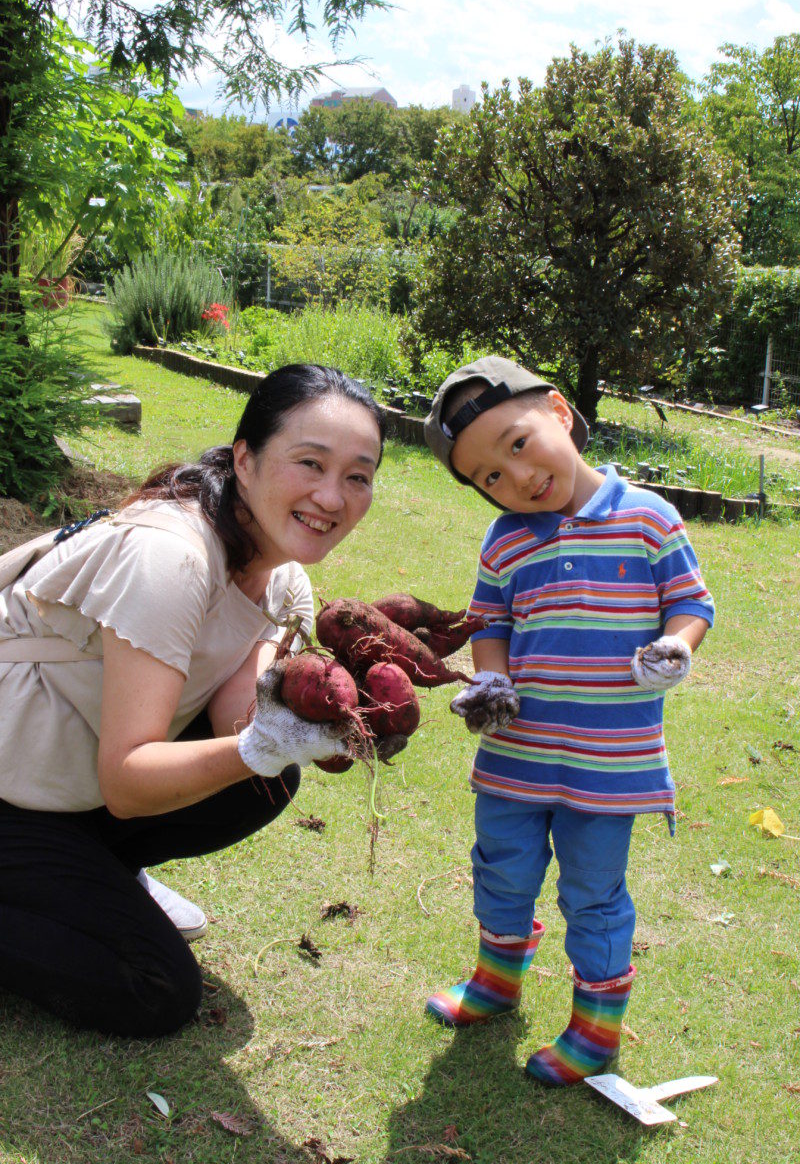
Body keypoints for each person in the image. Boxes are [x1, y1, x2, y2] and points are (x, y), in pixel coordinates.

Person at [0, 363, 387, 1038]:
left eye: (357, 475)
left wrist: (336, 707)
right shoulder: (170, 557)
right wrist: (261, 744)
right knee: (152, 988)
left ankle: (100, 870)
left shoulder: (283, 580)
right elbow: (128, 782)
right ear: (245, 458)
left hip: (59, 785)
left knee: (262, 783)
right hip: (14, 789)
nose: (333, 497)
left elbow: (240, 718)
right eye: (309, 463)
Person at [421, 357, 714, 1085]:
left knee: (593, 890)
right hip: (515, 755)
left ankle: (595, 1027)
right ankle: (496, 981)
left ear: (558, 410)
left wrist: (675, 645)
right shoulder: (504, 541)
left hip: (609, 765)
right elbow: (489, 622)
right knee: (501, 869)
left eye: (516, 445)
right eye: (489, 475)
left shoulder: (649, 517)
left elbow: (693, 603)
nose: (514, 478)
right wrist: (492, 676)